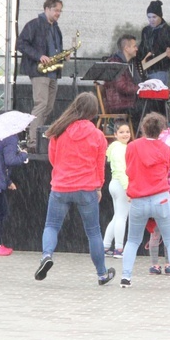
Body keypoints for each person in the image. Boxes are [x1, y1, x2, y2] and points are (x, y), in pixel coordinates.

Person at [33, 92, 116, 286]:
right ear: (94, 111)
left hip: (61, 187)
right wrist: (99, 186)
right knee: (93, 232)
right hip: (87, 188)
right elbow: (99, 165)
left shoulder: (59, 130)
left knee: (51, 226)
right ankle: (102, 274)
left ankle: (46, 255)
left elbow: (53, 159)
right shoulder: (97, 135)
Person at [122, 113, 170, 290]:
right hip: (161, 198)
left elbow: (128, 169)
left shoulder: (132, 147)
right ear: (161, 130)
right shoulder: (166, 149)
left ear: (143, 128)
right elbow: (167, 169)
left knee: (133, 240)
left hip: (138, 200)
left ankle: (126, 277)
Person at [16, 0, 65, 152]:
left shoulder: (56, 28)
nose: (58, 13)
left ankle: (37, 135)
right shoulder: (34, 24)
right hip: (39, 71)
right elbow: (21, 44)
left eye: (60, 11)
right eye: (56, 10)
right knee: (41, 104)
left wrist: (63, 55)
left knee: (48, 107)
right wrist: (39, 56)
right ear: (47, 9)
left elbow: (54, 49)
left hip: (53, 73)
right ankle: (32, 141)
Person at [0, 134, 29, 256]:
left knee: (1, 212)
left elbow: (1, 163)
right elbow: (10, 160)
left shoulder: (0, 137)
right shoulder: (11, 138)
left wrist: (8, 182)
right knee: (2, 212)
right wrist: (24, 154)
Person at [147, 167, 170, 275]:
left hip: (155, 206)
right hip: (169, 207)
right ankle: (169, 265)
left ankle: (154, 265)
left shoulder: (153, 167)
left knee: (154, 236)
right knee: (169, 237)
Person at [102, 120, 132, 258]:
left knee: (117, 216)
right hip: (121, 184)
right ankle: (119, 248)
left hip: (114, 184)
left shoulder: (114, 147)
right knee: (122, 217)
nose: (125, 134)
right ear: (115, 134)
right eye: (121, 132)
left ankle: (106, 246)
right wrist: (128, 189)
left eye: (127, 131)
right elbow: (121, 170)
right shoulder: (121, 149)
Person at [104, 34, 143, 132]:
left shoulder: (130, 63)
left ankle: (139, 135)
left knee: (151, 105)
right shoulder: (115, 63)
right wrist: (140, 89)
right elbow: (122, 87)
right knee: (146, 108)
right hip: (119, 104)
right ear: (126, 48)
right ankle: (137, 135)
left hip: (127, 101)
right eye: (134, 46)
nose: (137, 49)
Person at [137, 0, 170, 86]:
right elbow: (142, 49)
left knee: (157, 97)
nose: (151, 20)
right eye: (149, 17)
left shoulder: (169, 31)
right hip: (144, 71)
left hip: (160, 71)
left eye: (154, 17)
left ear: (160, 16)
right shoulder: (146, 31)